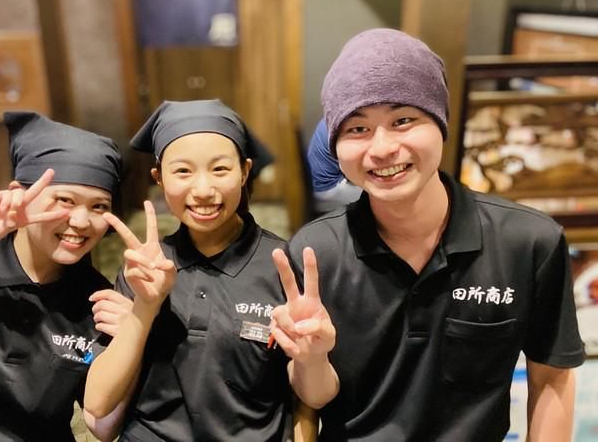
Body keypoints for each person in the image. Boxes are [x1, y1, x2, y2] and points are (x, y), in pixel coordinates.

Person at [269, 28, 585, 441]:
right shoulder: (316, 252)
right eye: (357, 129)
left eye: (403, 120)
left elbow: (552, 378)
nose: (381, 148)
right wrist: (311, 357)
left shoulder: (528, 242)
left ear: (440, 122)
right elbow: (312, 400)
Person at [84, 99, 335, 441]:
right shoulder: (145, 265)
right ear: (159, 178)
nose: (203, 191)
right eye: (183, 172)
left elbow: (306, 399)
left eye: (219, 169)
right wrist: (145, 306)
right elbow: (97, 405)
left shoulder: (283, 265)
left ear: (244, 172)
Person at [0, 111, 131, 441]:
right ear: (18, 194)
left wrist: (132, 336)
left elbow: (103, 427)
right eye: (64, 200)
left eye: (99, 206)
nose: (81, 221)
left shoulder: (98, 301)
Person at [307, 118, 361, 214]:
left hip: (319, 186)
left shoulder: (331, 118)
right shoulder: (341, 125)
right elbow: (354, 173)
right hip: (329, 190)